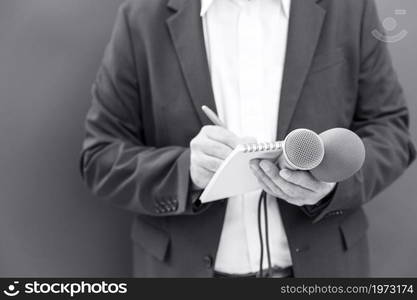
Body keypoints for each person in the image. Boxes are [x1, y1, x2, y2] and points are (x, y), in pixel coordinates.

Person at [80, 0, 416, 277]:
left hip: (324, 271)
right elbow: (100, 157)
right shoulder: (141, 16)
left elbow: (391, 130)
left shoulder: (350, 8)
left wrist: (331, 186)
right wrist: (186, 172)